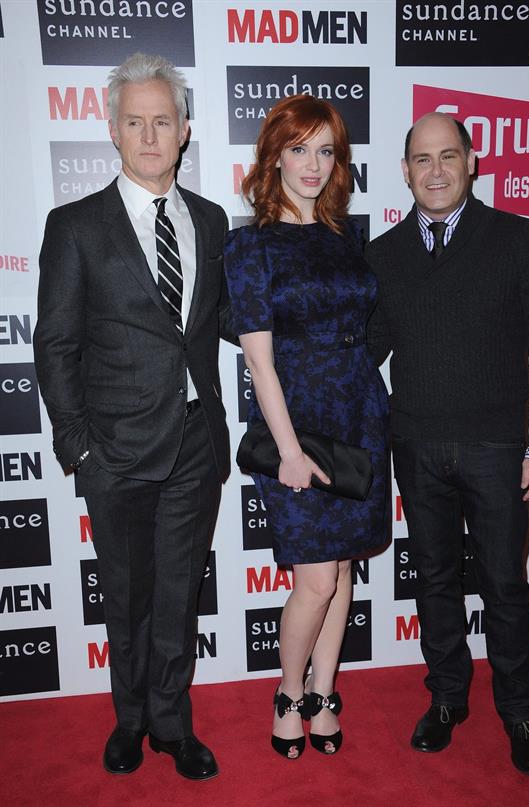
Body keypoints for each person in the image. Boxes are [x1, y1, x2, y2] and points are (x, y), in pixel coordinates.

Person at [33, 53, 231, 781]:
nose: (151, 134)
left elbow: (232, 321)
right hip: (112, 451)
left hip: (193, 445)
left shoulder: (211, 222)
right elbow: (55, 342)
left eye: (163, 120)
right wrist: (79, 445)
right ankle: (130, 718)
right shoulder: (76, 225)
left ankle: (174, 725)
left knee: (179, 595)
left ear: (184, 130)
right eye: (135, 121)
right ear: (112, 130)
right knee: (126, 595)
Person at [367, 112, 529, 775]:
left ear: (472, 161)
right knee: (434, 583)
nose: (435, 170)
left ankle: (519, 709)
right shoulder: (385, 253)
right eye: (421, 159)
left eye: (447, 156)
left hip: (497, 448)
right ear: (404, 171)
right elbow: (368, 350)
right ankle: (448, 698)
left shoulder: (516, 238)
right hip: (416, 444)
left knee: (506, 584)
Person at [225, 95, 390, 759]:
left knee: (343, 569)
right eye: (300, 149)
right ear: (274, 157)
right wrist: (288, 452)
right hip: (296, 423)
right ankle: (289, 692)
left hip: (359, 413)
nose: (314, 164)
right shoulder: (250, 247)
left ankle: (325, 693)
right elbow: (260, 365)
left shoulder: (348, 237)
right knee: (314, 580)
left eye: (326, 150)